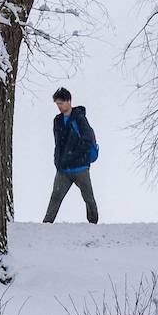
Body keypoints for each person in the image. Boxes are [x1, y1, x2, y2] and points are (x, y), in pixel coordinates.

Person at [44, 87, 100, 223]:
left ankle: (93, 224)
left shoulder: (80, 118)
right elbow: (58, 144)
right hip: (63, 168)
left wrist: (73, 155)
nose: (59, 106)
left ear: (69, 101)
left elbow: (88, 141)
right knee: (55, 196)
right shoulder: (57, 120)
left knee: (88, 197)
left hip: (80, 167)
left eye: (61, 103)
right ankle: (46, 224)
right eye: (57, 104)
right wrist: (57, 160)